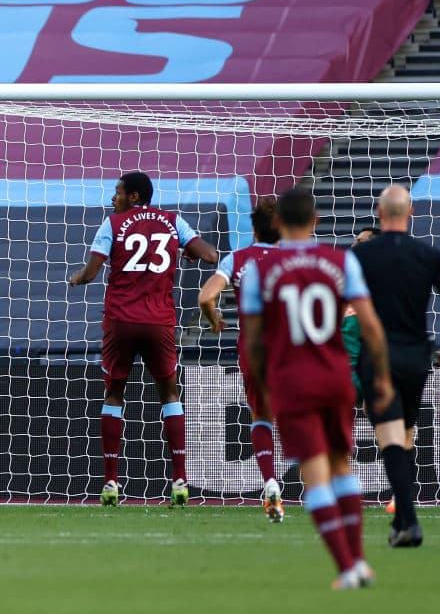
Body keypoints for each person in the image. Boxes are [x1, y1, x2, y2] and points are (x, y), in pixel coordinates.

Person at [241, 187, 393, 590]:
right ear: (316, 220)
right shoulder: (342, 263)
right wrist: (381, 376)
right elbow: (371, 324)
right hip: (336, 377)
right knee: (342, 467)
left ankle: (346, 568)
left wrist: (266, 383)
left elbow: (254, 340)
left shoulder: (260, 272)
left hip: (294, 381)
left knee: (315, 474)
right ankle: (360, 561)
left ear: (277, 223)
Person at [69, 172, 218, 507]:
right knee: (169, 394)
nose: (114, 198)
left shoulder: (113, 224)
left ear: (134, 196)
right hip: (158, 322)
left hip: (121, 320)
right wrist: (189, 250)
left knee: (114, 394)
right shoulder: (173, 221)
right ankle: (180, 480)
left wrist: (78, 276)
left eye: (118, 192)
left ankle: (111, 483)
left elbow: (92, 273)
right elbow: (210, 255)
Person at [351, 185, 440, 548]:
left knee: (389, 437)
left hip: (378, 354)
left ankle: (409, 523)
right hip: (417, 357)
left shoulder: (360, 256)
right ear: (410, 213)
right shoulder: (430, 254)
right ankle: (401, 519)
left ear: (380, 213)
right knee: (406, 431)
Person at [197, 195, 284, 521]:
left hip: (254, 349)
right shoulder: (297, 258)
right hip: (293, 348)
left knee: (261, 416)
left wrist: (214, 319)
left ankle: (270, 481)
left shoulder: (237, 259)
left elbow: (205, 297)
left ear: (254, 229)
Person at [341, 227, 381, 402]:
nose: (353, 245)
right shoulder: (341, 284)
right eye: (354, 241)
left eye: (360, 242)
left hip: (368, 376)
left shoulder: (383, 289)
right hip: (338, 375)